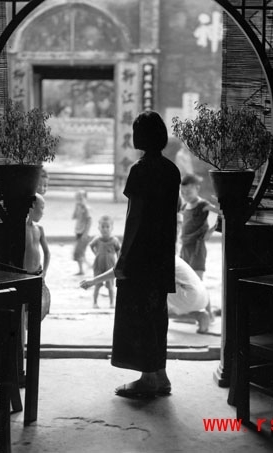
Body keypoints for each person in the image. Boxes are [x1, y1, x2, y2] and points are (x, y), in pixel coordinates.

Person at [93, 110, 180, 398]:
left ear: (140, 136)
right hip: (163, 255)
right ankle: (161, 375)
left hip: (142, 256)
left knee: (140, 315)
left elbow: (135, 219)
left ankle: (148, 378)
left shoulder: (140, 170)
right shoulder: (172, 170)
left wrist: (123, 259)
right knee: (157, 314)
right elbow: (172, 214)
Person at [81, 255, 211, 334]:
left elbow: (120, 269)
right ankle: (199, 314)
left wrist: (94, 281)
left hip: (189, 296)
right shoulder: (168, 253)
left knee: (144, 285)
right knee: (152, 283)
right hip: (203, 297)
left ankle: (197, 315)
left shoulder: (151, 255)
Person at [179, 174, 217, 280]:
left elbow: (222, 214)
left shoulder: (202, 205)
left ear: (197, 188)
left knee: (197, 279)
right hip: (185, 247)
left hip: (197, 246)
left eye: (189, 193)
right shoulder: (184, 206)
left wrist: (211, 230)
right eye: (183, 193)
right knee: (185, 279)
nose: (186, 196)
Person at [24, 193, 51, 320]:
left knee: (38, 310)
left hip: (38, 274)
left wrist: (44, 271)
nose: (43, 212)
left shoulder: (39, 229)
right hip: (24, 275)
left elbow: (47, 252)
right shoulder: (22, 229)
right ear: (32, 206)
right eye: (42, 208)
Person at [88, 215, 121, 308]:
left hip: (110, 266)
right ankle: (94, 302)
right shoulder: (97, 239)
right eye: (102, 227)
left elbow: (118, 250)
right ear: (99, 228)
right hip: (98, 265)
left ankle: (111, 303)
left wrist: (118, 260)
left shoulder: (114, 240)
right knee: (97, 284)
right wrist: (96, 254)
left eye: (107, 227)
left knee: (110, 286)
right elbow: (91, 245)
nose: (105, 229)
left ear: (112, 228)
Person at [72, 189, 92, 275]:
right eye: (77, 198)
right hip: (78, 232)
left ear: (85, 199)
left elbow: (90, 220)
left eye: (81, 198)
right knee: (81, 253)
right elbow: (73, 217)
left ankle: (83, 270)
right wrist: (76, 208)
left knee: (78, 253)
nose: (79, 200)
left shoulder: (86, 209)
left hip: (84, 234)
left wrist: (85, 233)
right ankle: (88, 267)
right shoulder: (78, 207)